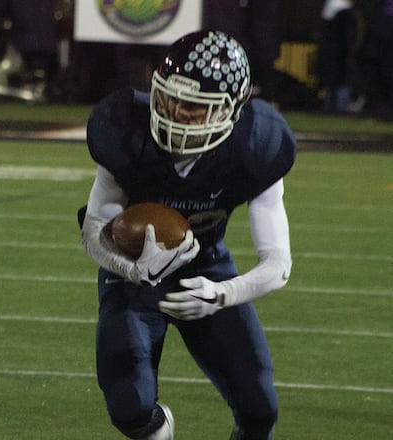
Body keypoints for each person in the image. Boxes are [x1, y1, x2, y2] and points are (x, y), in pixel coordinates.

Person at [79, 30, 295, 439]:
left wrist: (222, 294)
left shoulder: (257, 143)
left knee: (259, 410)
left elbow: (278, 264)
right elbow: (94, 229)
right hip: (133, 277)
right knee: (129, 406)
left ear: (232, 110)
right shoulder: (125, 129)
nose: (177, 112)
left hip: (209, 271)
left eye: (195, 106)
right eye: (168, 98)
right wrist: (129, 265)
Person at [316, 0, 359, 113]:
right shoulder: (346, 14)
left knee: (332, 92)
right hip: (340, 62)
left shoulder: (330, 13)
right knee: (339, 92)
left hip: (332, 61)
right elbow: (349, 41)